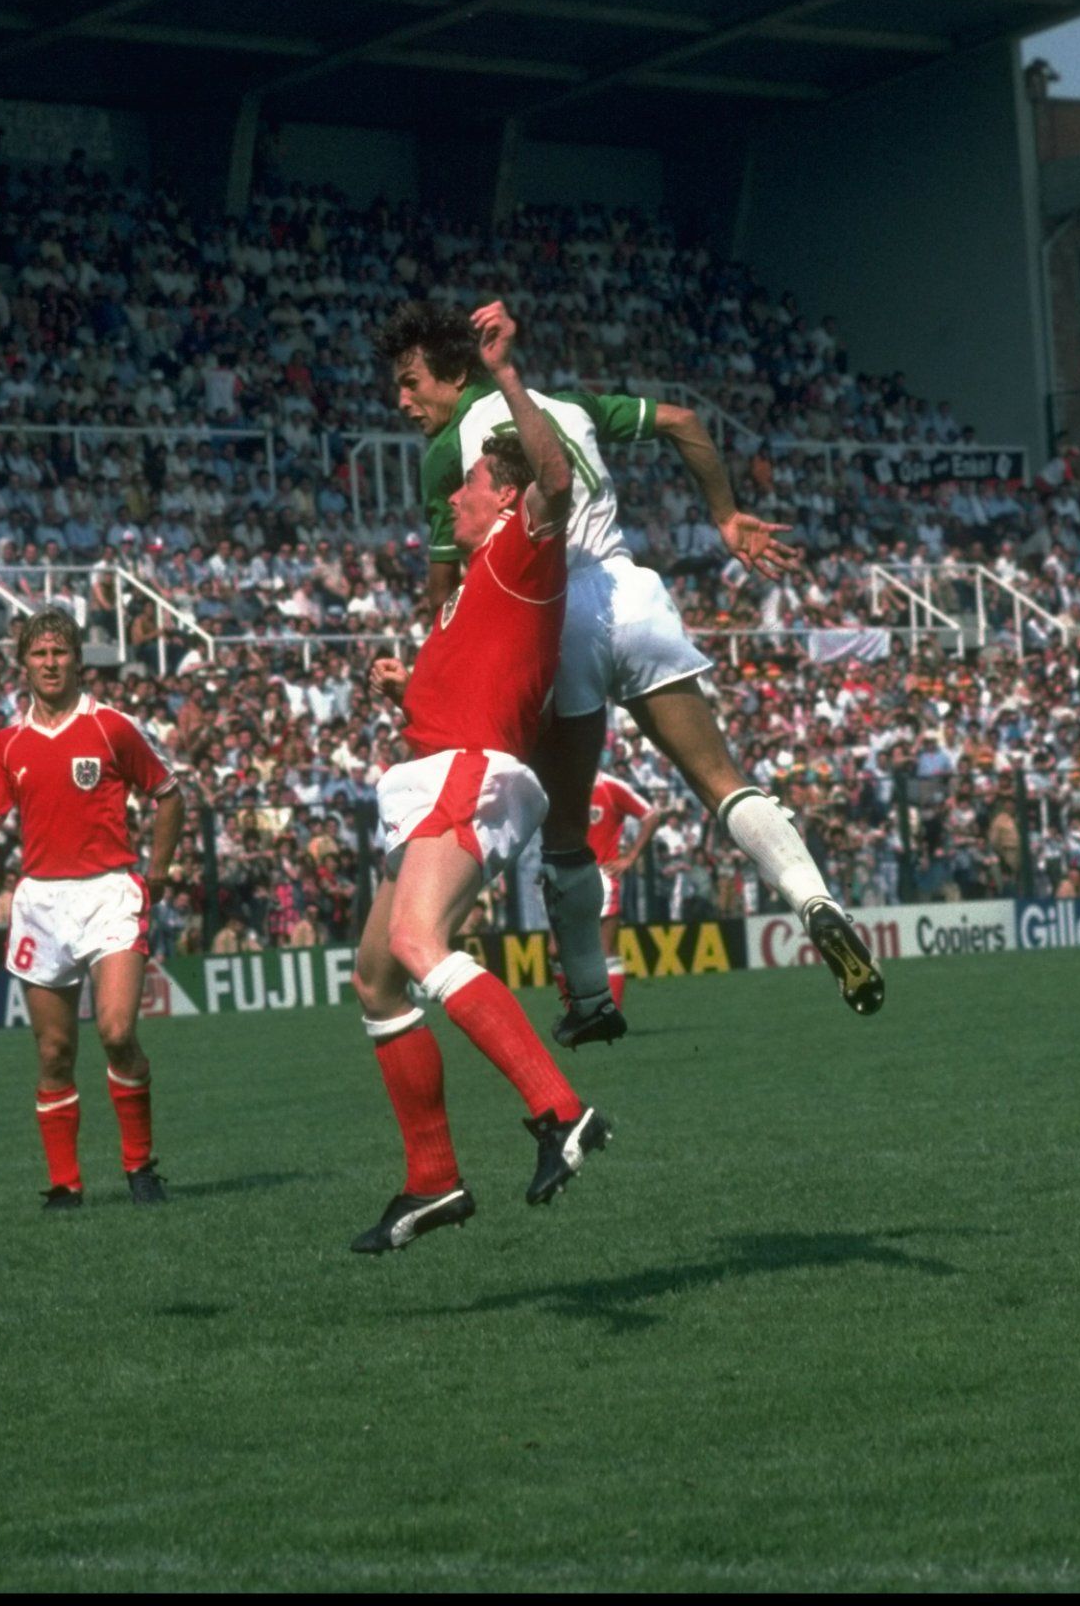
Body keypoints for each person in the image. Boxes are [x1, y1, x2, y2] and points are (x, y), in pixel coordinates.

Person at [379, 299, 883, 1042]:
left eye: (411, 382)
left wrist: (434, 673)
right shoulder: (570, 404)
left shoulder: (449, 448)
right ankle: (813, 898)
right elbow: (684, 421)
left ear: (454, 374)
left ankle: (590, 1002)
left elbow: (445, 593)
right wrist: (725, 517)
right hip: (636, 592)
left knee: (565, 836)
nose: (403, 401)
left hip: (553, 616)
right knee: (719, 777)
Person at [349, 304, 607, 1255]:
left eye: (467, 489)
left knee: (418, 940)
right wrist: (402, 685)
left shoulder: (524, 542)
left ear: (500, 496)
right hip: (435, 766)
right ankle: (433, 1182)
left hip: (472, 774)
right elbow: (462, 686)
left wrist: (505, 376)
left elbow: (555, 475)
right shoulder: (468, 590)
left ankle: (559, 1109)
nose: (451, 500)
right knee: (377, 981)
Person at [0, 611, 185, 1210]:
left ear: (78, 660)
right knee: (54, 1051)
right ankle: (65, 1184)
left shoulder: (110, 727)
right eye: (38, 653)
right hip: (42, 901)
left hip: (109, 891)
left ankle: (140, 1166)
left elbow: (169, 795)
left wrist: (157, 868)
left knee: (117, 1031)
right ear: (23, 663)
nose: (50, 663)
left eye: (59, 652)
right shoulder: (8, 744)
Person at [588, 766, 667, 1015]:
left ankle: (612, 1015)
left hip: (601, 875)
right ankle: (578, 1014)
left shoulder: (610, 787)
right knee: (556, 950)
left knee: (605, 949)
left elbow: (651, 815)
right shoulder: (560, 785)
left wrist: (631, 856)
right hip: (566, 876)